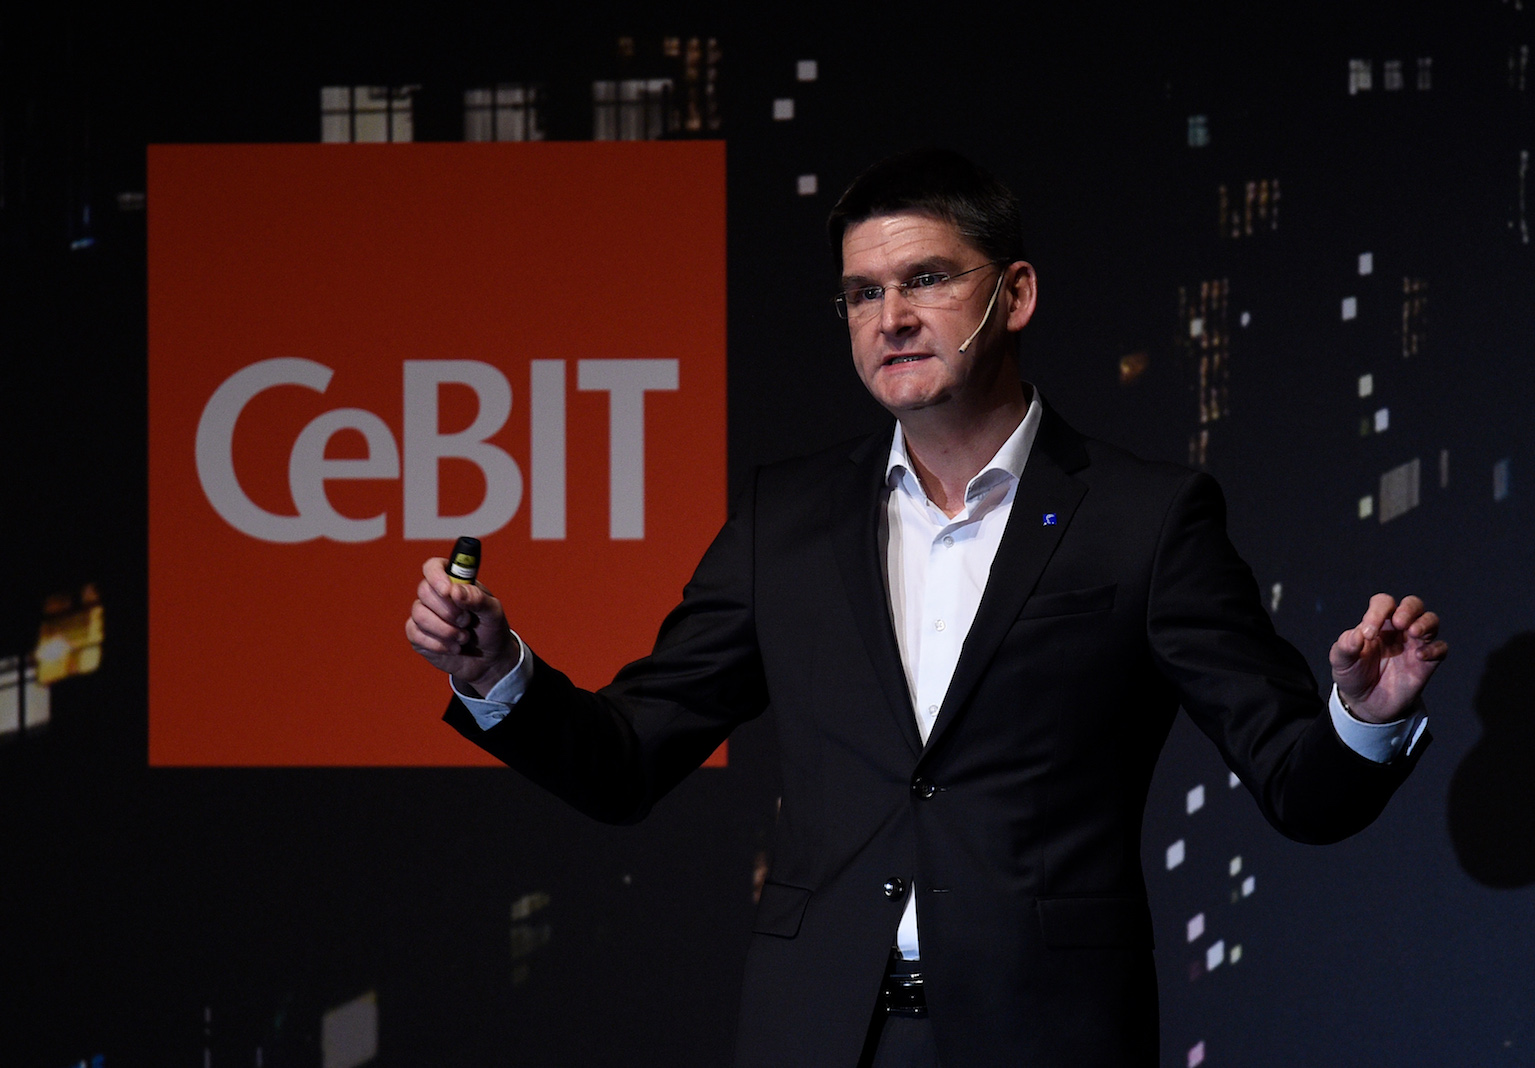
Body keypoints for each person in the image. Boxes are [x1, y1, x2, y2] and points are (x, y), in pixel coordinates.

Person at [406, 150, 1446, 1068]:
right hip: (814, 1035)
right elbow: (627, 760)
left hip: (1047, 1036)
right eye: (861, 293)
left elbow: (1298, 788)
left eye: (926, 279)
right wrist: (495, 674)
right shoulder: (785, 519)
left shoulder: (1146, 518)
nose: (889, 317)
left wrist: (1363, 715)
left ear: (1016, 294)